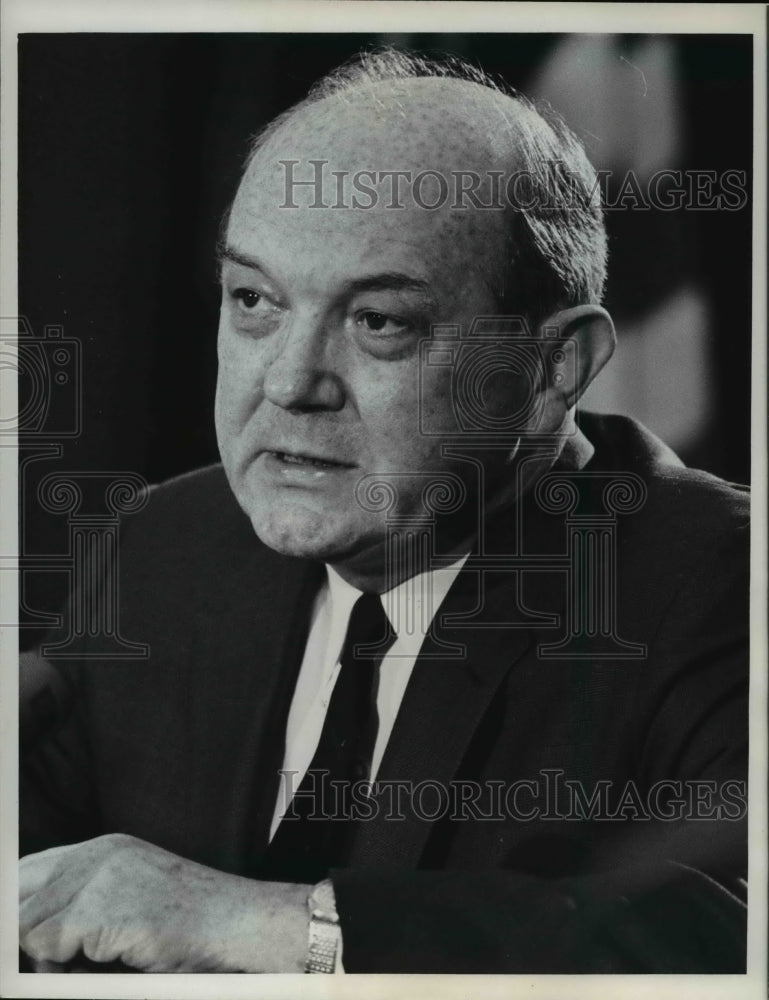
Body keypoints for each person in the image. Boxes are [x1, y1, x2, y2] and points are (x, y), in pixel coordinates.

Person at [19, 49, 748, 974]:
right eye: (253, 300)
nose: (288, 383)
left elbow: (725, 930)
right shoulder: (166, 546)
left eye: (380, 322)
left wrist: (267, 924)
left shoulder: (716, 583)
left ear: (549, 370)